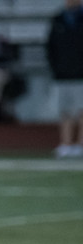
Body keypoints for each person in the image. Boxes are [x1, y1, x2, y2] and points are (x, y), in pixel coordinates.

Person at [46, 0, 83, 158]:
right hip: (62, 74)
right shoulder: (58, 19)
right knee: (65, 111)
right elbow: (50, 47)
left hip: (81, 74)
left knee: (82, 111)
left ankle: (81, 144)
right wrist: (56, 68)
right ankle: (66, 143)